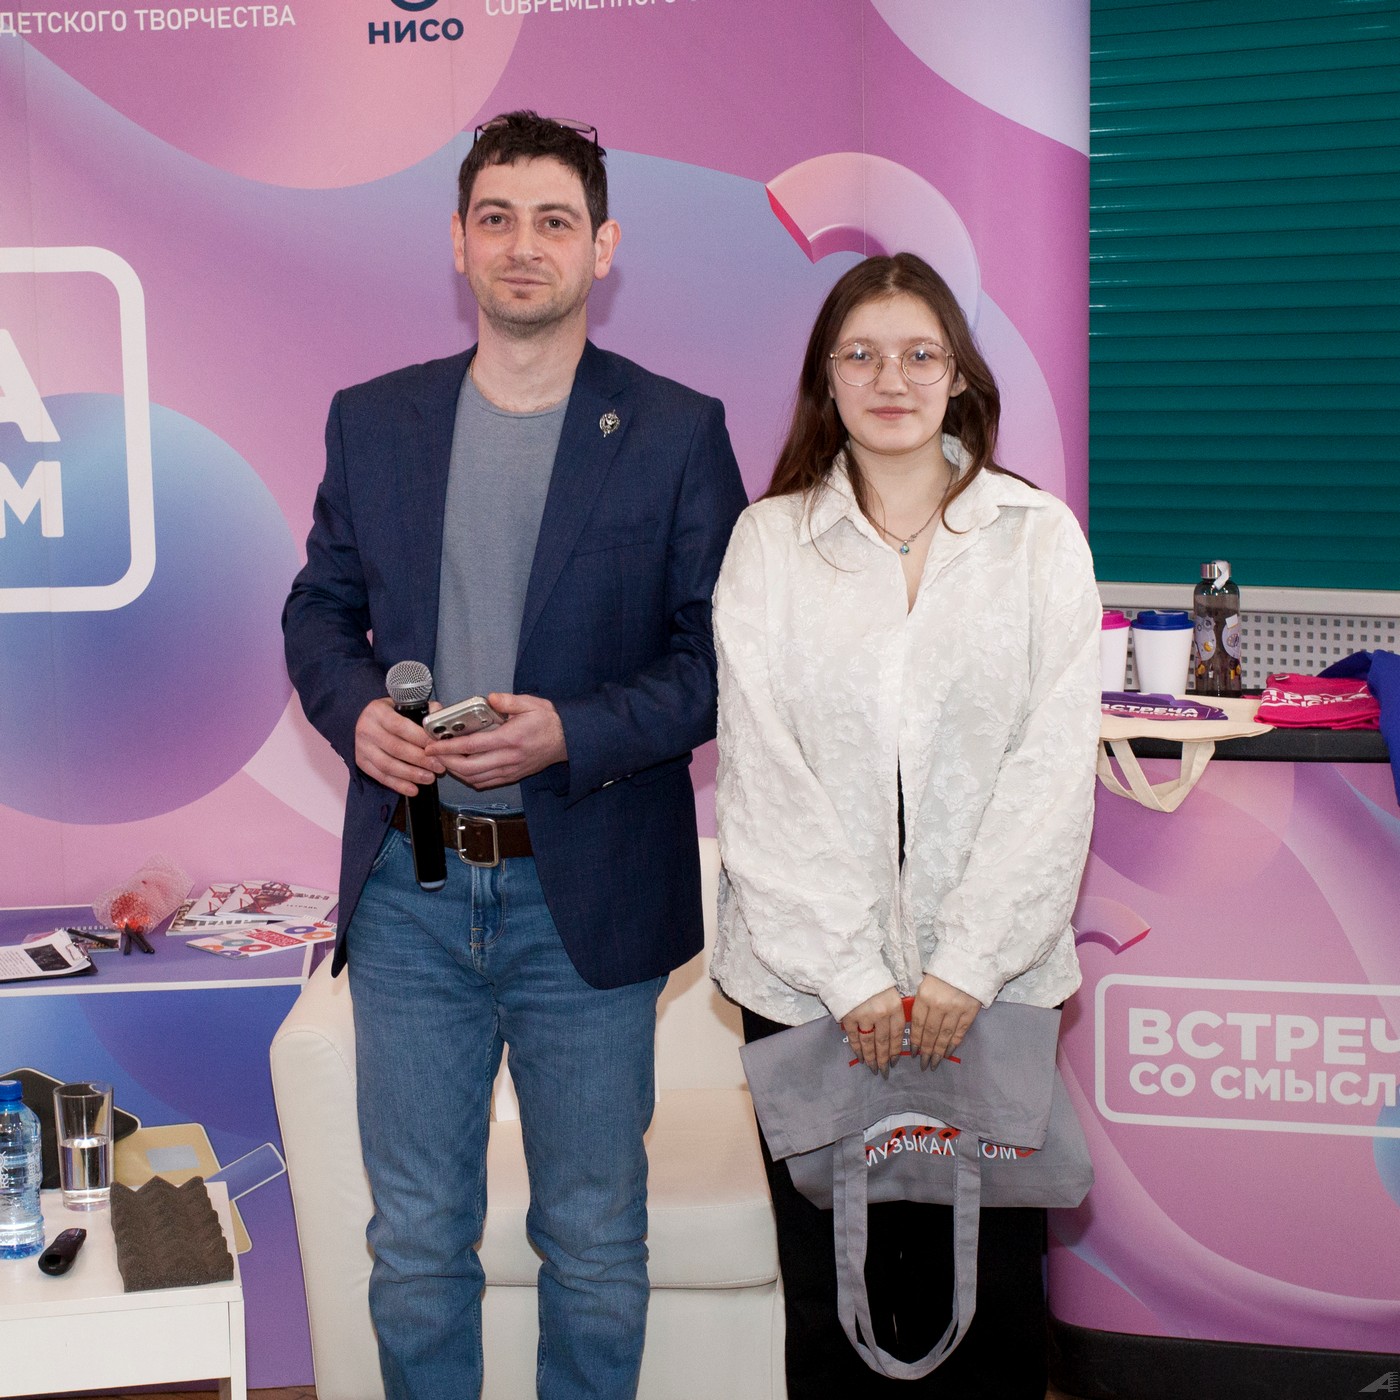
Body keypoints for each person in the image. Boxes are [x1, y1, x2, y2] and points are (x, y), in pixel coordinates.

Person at [282, 111, 747, 1400]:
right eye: (496, 219)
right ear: (458, 242)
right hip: (410, 890)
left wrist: (572, 730)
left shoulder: (675, 430)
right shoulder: (373, 420)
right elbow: (318, 610)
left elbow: (718, 660)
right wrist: (355, 710)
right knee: (413, 1240)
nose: (523, 245)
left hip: (585, 895)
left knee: (591, 1238)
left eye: (554, 221)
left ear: (602, 246)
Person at [711, 252, 1100, 1398]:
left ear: (958, 375)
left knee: (989, 1300)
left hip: (989, 986)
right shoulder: (768, 543)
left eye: (919, 353)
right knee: (834, 1299)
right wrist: (849, 974)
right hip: (810, 991)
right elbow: (761, 773)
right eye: (861, 354)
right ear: (825, 379)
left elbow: (1049, 768)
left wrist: (966, 962)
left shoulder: (1035, 537)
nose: (891, 378)